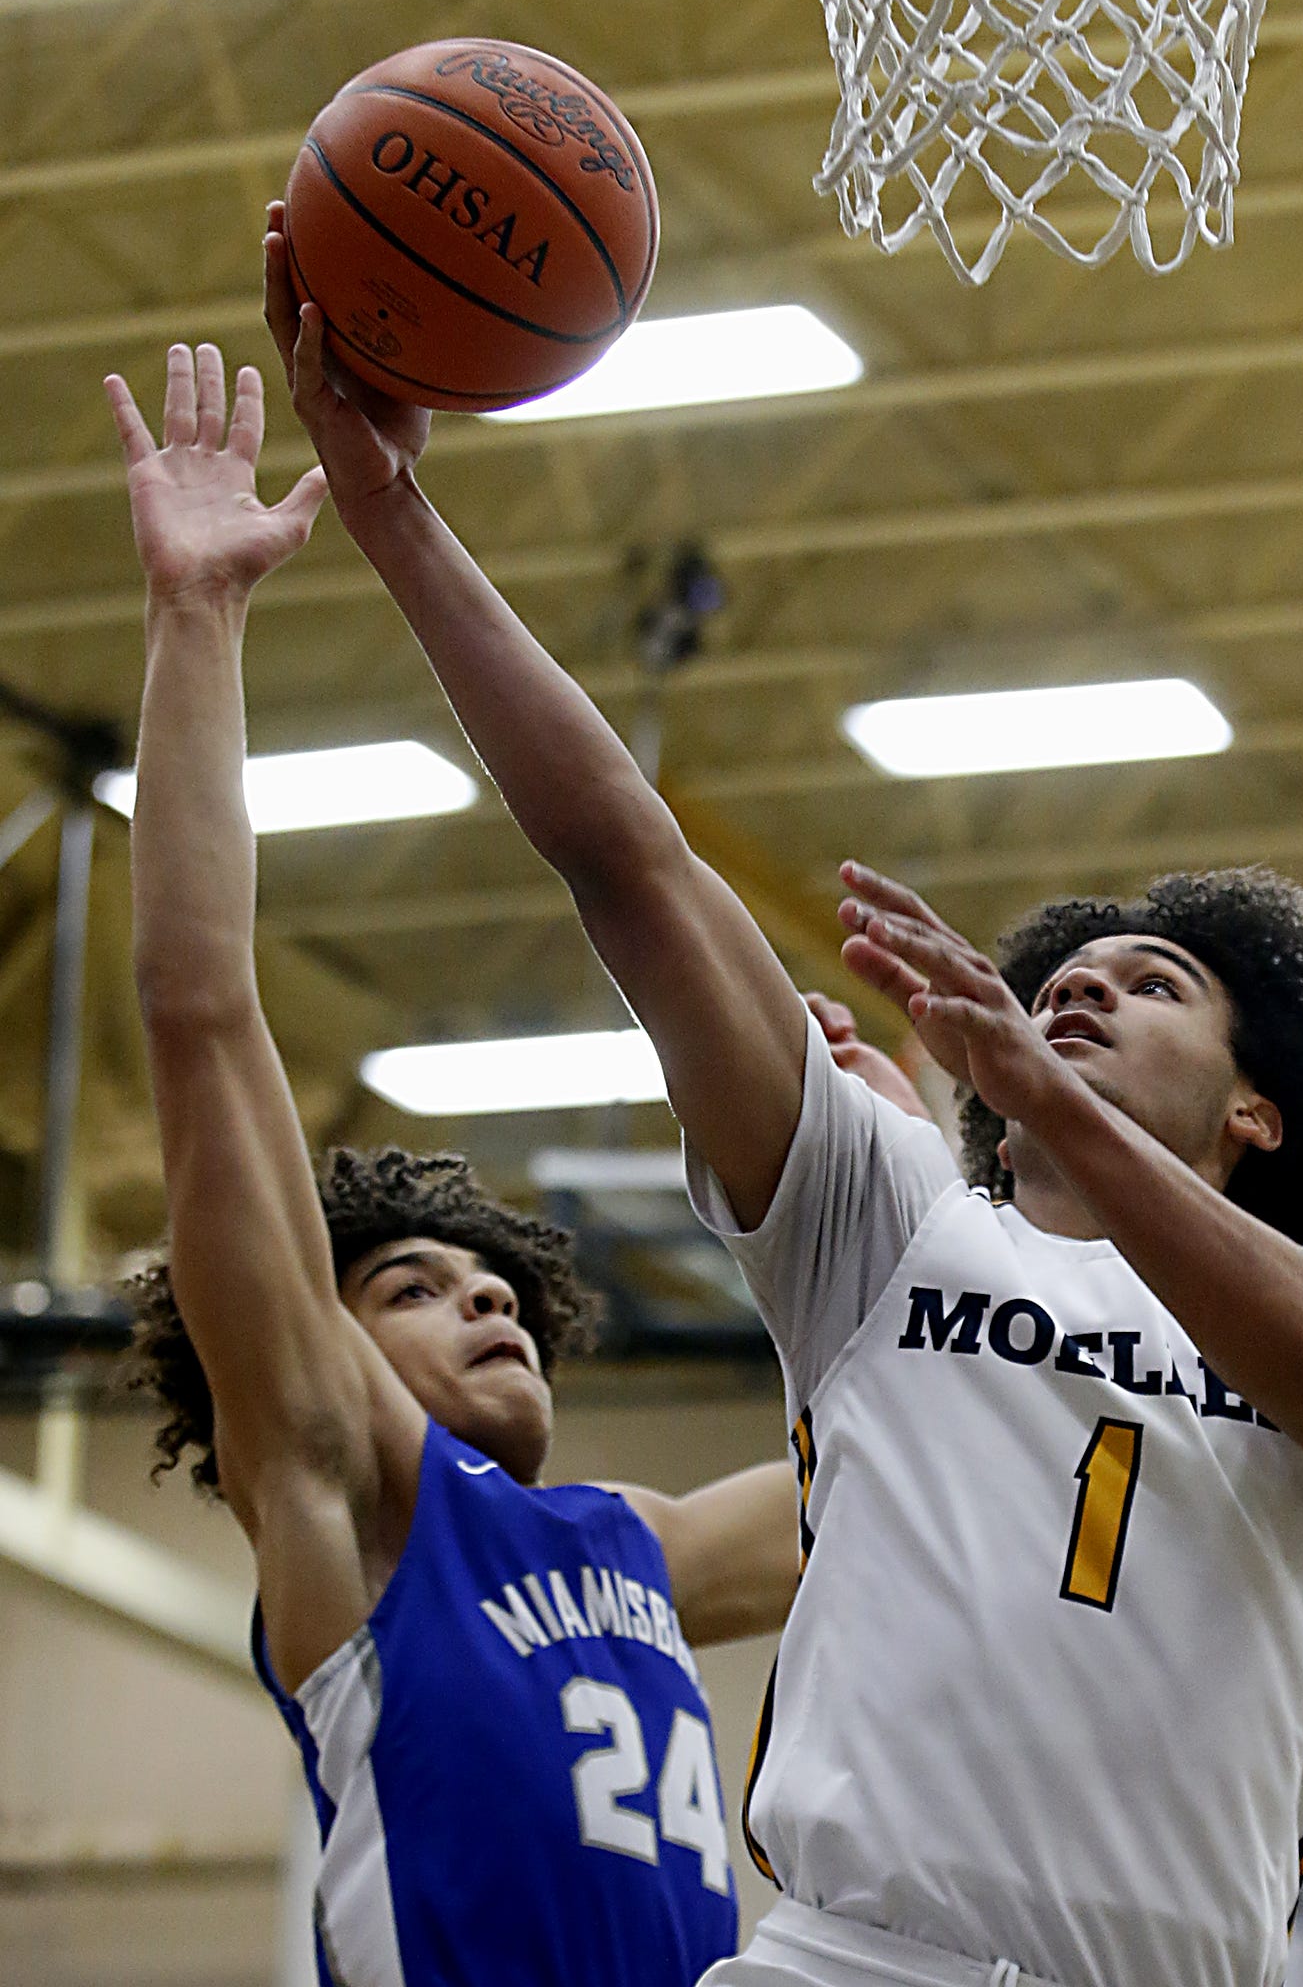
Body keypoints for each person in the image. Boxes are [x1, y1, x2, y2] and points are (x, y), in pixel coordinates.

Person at [263, 214, 1303, 1987]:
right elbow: (626, 858)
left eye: (1154, 987)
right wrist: (391, 512)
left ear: (1262, 1115)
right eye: (1065, 976)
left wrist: (1038, 1102)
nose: (1080, 989)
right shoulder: (896, 1223)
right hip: (854, 1960)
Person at [105, 342, 805, 1987]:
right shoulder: (332, 1500)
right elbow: (202, 1015)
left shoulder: (633, 1541)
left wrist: (969, 1192)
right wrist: (195, 617)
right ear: (327, 1343)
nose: (488, 1304)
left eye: (498, 1289)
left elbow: (915, 1446)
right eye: (415, 1288)